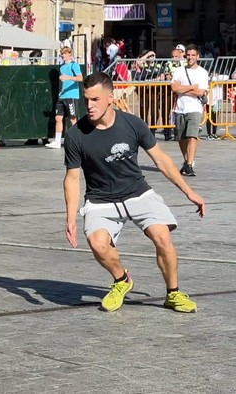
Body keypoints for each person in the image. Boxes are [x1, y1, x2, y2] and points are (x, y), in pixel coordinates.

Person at [63, 72, 205, 314]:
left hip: (138, 193)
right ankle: (121, 280)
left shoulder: (133, 124)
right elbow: (73, 178)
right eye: (86, 99)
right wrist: (70, 218)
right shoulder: (75, 135)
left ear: (111, 97)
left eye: (95, 99)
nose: (89, 105)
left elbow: (161, 160)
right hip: (100, 199)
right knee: (97, 244)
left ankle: (173, 293)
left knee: (162, 237)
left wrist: (188, 191)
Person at [171, 44, 209, 177]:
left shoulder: (203, 72)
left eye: (193, 55)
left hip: (195, 108)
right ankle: (187, 161)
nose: (190, 57)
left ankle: (189, 164)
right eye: (188, 55)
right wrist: (192, 87)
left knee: (192, 136)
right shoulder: (179, 71)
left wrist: (183, 89)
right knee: (181, 138)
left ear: (198, 56)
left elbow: (201, 91)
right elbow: (175, 88)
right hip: (180, 108)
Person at [47, 47, 83, 149]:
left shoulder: (74, 65)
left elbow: (80, 78)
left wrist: (68, 78)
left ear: (69, 54)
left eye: (64, 54)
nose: (62, 55)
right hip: (62, 96)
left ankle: (78, 141)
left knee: (73, 118)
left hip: (71, 95)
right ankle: (57, 141)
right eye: (61, 54)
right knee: (58, 118)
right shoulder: (62, 67)